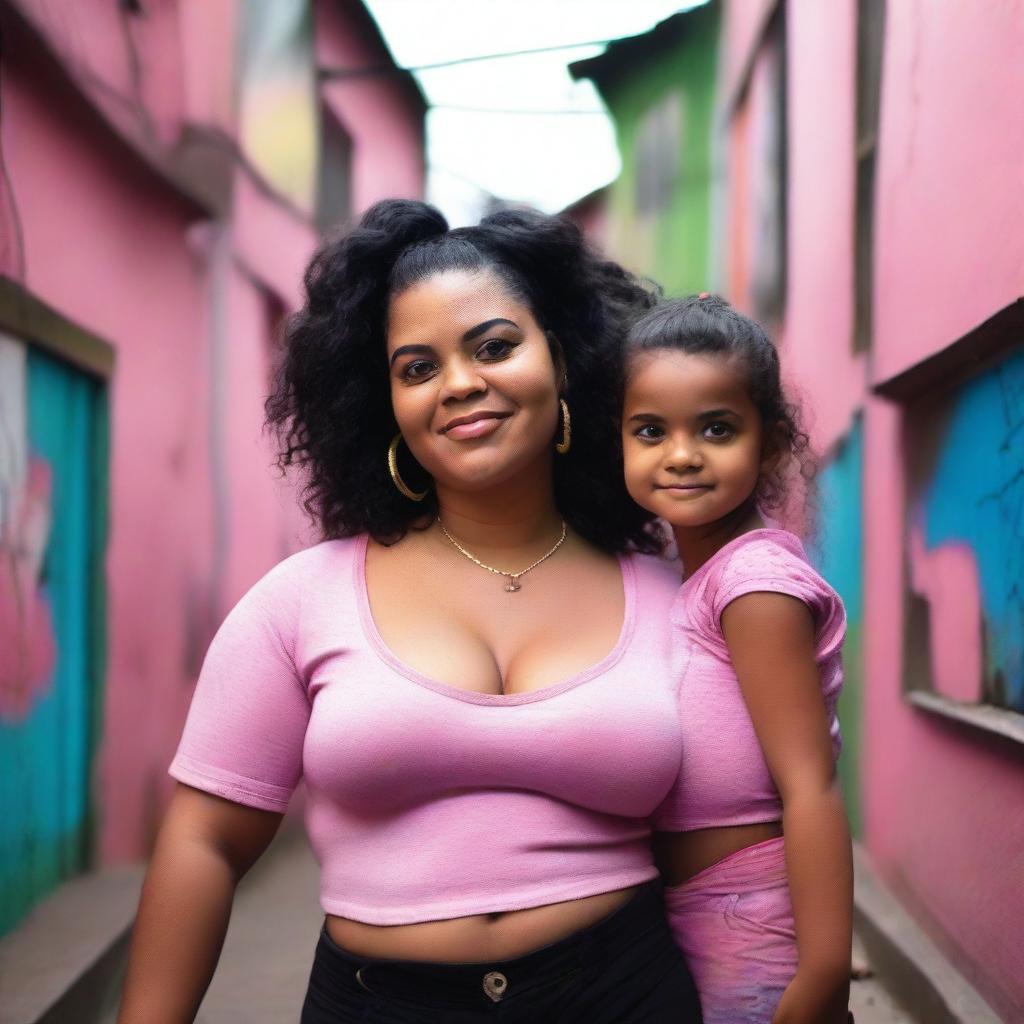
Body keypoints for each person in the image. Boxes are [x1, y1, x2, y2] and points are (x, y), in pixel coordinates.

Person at [116, 200, 704, 1023]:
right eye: (416, 367)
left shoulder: (672, 598)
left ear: (563, 360)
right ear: (381, 402)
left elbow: (728, 843)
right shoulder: (301, 601)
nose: (460, 384)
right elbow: (204, 842)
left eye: (494, 346)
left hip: (628, 993)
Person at [620, 295, 853, 1024]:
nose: (682, 454)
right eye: (650, 430)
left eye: (716, 428)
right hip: (695, 915)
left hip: (754, 925)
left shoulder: (752, 587)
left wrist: (820, 979)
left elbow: (810, 788)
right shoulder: (686, 577)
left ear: (771, 442)